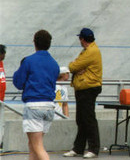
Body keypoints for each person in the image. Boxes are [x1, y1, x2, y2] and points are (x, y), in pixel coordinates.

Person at [13, 30, 60, 160]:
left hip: (33, 105)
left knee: (38, 146)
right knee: (33, 144)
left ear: (35, 43)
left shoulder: (29, 61)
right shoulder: (54, 63)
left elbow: (18, 83)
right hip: (49, 106)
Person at [64, 28, 103, 159]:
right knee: (81, 119)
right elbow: (77, 66)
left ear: (82, 39)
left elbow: (72, 67)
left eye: (80, 38)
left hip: (88, 88)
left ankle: (93, 148)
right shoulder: (88, 50)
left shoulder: (91, 51)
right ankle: (78, 148)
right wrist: (78, 68)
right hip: (83, 88)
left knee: (88, 119)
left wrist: (77, 67)